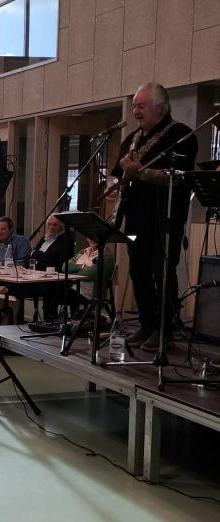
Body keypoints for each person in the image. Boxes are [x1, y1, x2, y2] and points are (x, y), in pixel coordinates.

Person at [108, 81, 198, 351]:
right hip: (135, 219)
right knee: (138, 271)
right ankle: (147, 324)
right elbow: (116, 173)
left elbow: (178, 178)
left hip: (165, 219)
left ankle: (164, 329)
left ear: (160, 107)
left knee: (163, 271)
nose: (136, 111)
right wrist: (113, 184)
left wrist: (141, 172)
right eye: (135, 106)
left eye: (141, 106)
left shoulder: (182, 135)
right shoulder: (132, 139)